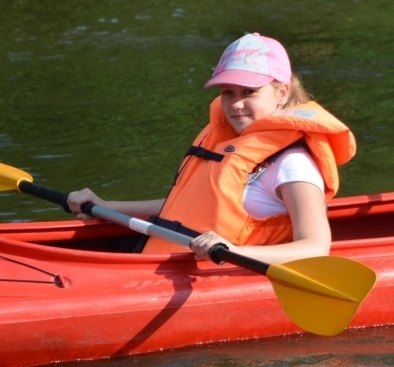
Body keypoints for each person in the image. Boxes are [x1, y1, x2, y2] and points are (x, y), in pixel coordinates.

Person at [67, 33, 356, 263]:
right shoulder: (227, 143)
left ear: (281, 93)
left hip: (223, 269)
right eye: (228, 92)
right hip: (172, 262)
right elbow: (184, 203)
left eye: (249, 92)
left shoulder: (293, 164)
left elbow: (315, 247)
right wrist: (107, 206)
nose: (236, 104)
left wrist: (232, 250)